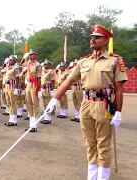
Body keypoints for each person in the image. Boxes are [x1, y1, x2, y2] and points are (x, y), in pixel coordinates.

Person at [45, 24, 128, 180]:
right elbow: (67, 81)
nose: (92, 39)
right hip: (86, 103)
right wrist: (54, 99)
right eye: (92, 37)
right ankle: (92, 177)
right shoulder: (83, 62)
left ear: (106, 40)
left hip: (104, 105)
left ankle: (102, 178)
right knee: (90, 143)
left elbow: (118, 89)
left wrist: (118, 112)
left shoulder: (115, 61)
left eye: (97, 37)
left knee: (103, 145)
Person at [22, 50, 42, 132]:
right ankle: (31, 124)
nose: (30, 56)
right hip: (28, 85)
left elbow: (39, 78)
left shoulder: (38, 65)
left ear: (36, 55)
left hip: (34, 85)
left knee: (35, 104)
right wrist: (24, 57)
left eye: (32, 54)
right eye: (29, 55)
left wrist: (39, 89)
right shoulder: (28, 63)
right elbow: (21, 63)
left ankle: (35, 125)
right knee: (29, 103)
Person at [3, 55, 20, 126]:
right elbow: (2, 70)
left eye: (11, 60)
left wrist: (16, 88)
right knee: (9, 102)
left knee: (13, 103)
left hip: (12, 86)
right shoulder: (8, 68)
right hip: (7, 86)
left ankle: (14, 120)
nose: (9, 62)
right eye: (9, 60)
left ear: (14, 61)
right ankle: (11, 118)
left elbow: (17, 79)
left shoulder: (15, 68)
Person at [40, 59, 55, 124]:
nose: (45, 65)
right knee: (44, 103)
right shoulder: (43, 71)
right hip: (43, 89)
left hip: (48, 88)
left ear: (49, 65)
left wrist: (52, 90)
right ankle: (46, 117)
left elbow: (52, 81)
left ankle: (48, 118)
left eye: (46, 64)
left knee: (48, 103)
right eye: (44, 64)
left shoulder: (51, 72)